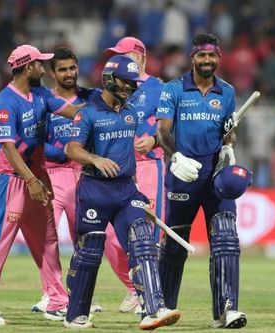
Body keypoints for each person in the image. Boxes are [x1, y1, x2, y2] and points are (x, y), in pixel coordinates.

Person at [64, 54, 181, 330]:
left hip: (127, 190)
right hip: (95, 189)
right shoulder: (88, 112)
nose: (129, 87)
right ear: (108, 78)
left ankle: (153, 309)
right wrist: (95, 159)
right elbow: (71, 148)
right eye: (125, 82)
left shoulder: (130, 112)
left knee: (143, 240)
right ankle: (75, 314)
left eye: (133, 83)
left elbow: (146, 137)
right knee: (90, 252)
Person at [0, 44, 82, 326]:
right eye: (39, 64)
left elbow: (74, 113)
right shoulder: (5, 102)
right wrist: (32, 180)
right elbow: (8, 149)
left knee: (47, 240)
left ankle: (57, 301)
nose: (44, 69)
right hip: (13, 181)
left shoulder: (41, 94)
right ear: (26, 67)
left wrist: (108, 108)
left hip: (36, 178)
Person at [32, 46, 137, 316]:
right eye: (63, 69)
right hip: (53, 174)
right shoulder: (46, 101)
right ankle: (52, 295)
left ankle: (120, 290)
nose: (69, 73)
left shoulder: (92, 96)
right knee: (48, 239)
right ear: (52, 73)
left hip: (85, 175)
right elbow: (38, 137)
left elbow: (119, 99)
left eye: (72, 68)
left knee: (92, 239)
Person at [156, 33, 249, 329]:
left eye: (212, 56)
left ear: (218, 58)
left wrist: (229, 144)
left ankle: (227, 310)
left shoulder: (228, 92)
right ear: (192, 57)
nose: (207, 61)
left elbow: (228, 133)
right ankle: (163, 307)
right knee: (174, 244)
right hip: (183, 175)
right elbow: (162, 131)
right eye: (201, 56)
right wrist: (175, 157)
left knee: (225, 239)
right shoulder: (173, 90)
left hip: (216, 177)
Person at [103, 36, 165, 314]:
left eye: (124, 55)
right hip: (120, 171)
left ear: (140, 57)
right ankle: (135, 287)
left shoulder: (160, 89)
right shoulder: (113, 89)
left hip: (150, 167)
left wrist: (155, 140)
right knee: (108, 237)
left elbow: (170, 127)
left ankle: (149, 294)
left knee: (147, 233)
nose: (118, 60)